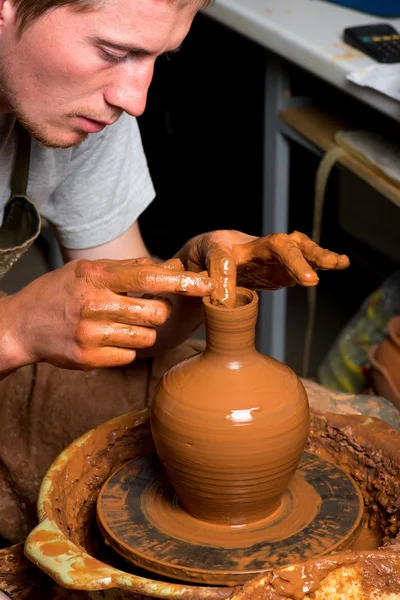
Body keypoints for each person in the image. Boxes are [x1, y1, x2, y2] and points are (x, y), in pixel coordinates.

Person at [0, 0, 350, 589]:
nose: (134, 98)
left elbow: (129, 328)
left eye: (157, 58)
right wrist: (15, 328)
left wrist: (192, 284)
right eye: (113, 52)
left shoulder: (86, 108)